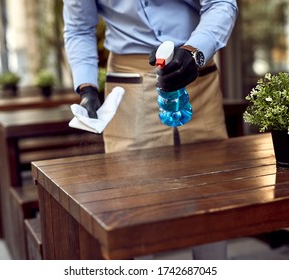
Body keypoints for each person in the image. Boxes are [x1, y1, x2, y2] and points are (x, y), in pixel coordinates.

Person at [63, 0, 238, 259]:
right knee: (134, 201)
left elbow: (221, 3)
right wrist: (87, 87)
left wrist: (195, 51)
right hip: (130, 85)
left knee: (210, 195)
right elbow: (79, 28)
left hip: (195, 70)